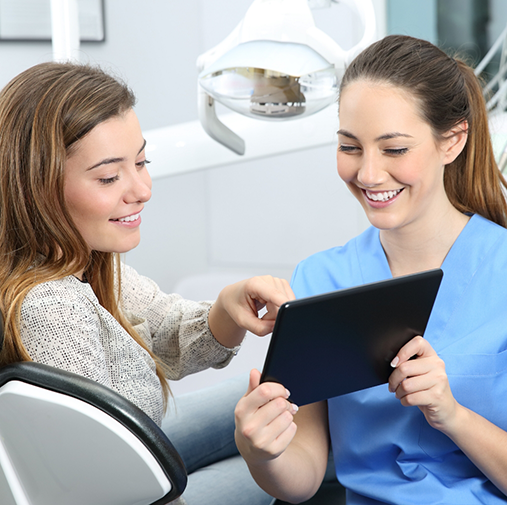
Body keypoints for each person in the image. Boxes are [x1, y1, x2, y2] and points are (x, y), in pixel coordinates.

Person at [0, 61, 295, 505]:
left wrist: (227, 308)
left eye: (141, 162)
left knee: (285, 394)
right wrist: (268, 470)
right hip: (125, 493)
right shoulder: (51, 309)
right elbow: (101, 487)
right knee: (283, 444)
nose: (141, 189)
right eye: (108, 176)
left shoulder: (80, 262)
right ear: (37, 186)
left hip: (132, 458)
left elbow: (161, 329)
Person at [234, 34, 507, 504]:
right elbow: (303, 477)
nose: (368, 174)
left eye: (395, 149)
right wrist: (261, 451)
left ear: (453, 140)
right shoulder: (319, 280)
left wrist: (452, 415)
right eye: (350, 146)